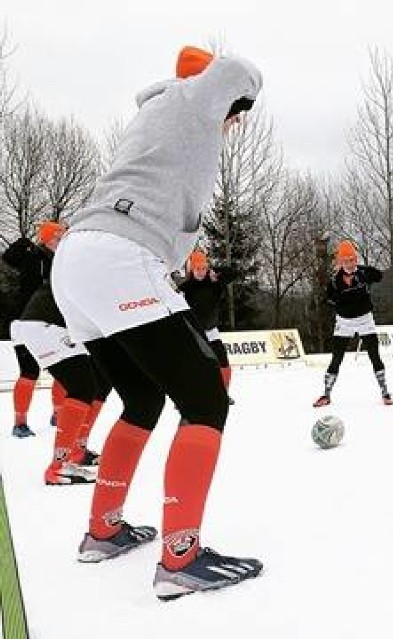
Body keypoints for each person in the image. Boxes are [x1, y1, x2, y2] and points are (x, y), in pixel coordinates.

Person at [51, 45, 263, 600]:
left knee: (142, 400)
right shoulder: (190, 100)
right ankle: (180, 558)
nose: (234, 122)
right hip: (121, 254)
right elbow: (238, 69)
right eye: (236, 114)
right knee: (205, 399)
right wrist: (234, 91)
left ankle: (103, 530)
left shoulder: (155, 115)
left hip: (78, 262)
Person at [10, 225, 111, 484]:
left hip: (49, 325)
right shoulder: (69, 260)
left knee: (97, 383)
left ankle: (74, 452)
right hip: (41, 326)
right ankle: (59, 465)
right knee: (82, 386)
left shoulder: (74, 260)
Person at [2, 221, 66, 437]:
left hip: (53, 323)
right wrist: (22, 243)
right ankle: (19, 422)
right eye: (58, 238)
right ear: (48, 239)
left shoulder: (62, 261)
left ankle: (58, 414)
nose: (62, 242)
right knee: (29, 372)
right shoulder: (33, 257)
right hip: (25, 322)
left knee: (65, 370)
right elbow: (10, 258)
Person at [313, 240, 392, 407]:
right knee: (337, 358)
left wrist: (367, 271)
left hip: (365, 319)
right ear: (340, 262)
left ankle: (385, 392)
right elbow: (328, 300)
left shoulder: (363, 273)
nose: (349, 264)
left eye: (352, 260)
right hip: (344, 321)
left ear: (356, 260)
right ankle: (326, 394)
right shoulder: (334, 282)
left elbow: (379, 276)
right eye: (345, 261)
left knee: (374, 355)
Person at [177, 250, 236, 403]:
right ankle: (188, 396)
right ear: (192, 269)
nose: (201, 272)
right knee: (193, 366)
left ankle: (222, 395)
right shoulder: (187, 287)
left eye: (204, 268)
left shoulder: (214, 282)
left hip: (211, 330)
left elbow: (233, 273)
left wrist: (218, 274)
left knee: (223, 362)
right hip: (194, 332)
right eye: (198, 269)